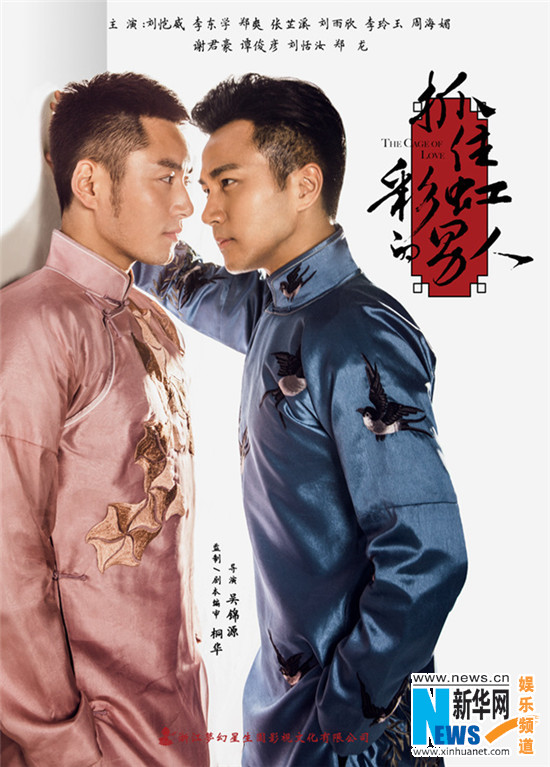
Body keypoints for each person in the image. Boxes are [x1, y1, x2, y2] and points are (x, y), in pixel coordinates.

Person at [134, 73, 468, 767]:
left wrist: (334, 731)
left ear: (304, 184)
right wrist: (106, 180)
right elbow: (186, 284)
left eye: (229, 183)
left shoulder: (357, 334)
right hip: (288, 716)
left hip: (355, 741)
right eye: (207, 186)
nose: (209, 210)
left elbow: (428, 558)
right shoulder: (278, 309)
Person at [0, 73, 209, 767]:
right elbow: (7, 560)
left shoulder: (153, 321)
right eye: (165, 177)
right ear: (89, 182)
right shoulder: (33, 324)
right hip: (90, 744)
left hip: (176, 727)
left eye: (185, 180)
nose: (186, 203)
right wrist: (59, 745)